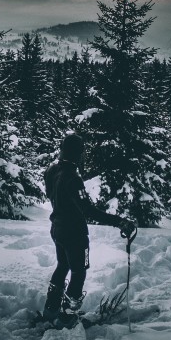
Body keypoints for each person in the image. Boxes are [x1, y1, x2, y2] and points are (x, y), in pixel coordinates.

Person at [42, 133, 136, 321]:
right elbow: (89, 211)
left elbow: (50, 193)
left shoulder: (52, 171)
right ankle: (68, 316)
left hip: (57, 228)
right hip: (74, 234)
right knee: (79, 271)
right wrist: (120, 221)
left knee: (62, 266)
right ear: (78, 153)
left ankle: (51, 309)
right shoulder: (72, 178)